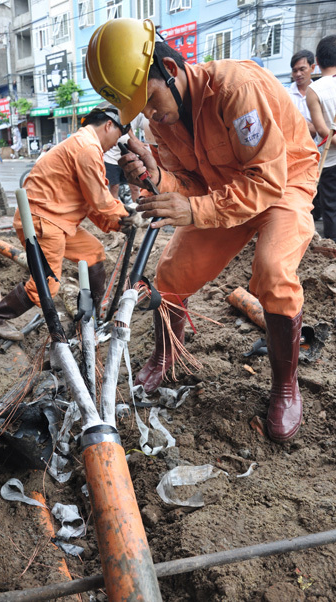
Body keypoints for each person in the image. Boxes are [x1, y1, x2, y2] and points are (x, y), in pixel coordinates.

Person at [86, 18, 320, 443]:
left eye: (151, 101)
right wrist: (155, 177)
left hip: (284, 183)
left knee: (271, 270)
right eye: (141, 109)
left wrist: (194, 209)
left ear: (172, 72)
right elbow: (191, 185)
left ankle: (286, 386)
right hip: (225, 193)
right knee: (170, 276)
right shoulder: (163, 120)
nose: (150, 115)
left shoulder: (236, 90)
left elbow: (266, 181)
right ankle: (167, 354)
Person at [0, 104, 138, 341]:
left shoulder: (85, 145)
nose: (116, 144)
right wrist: (124, 214)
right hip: (43, 220)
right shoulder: (87, 147)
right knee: (46, 284)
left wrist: (118, 224)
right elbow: (99, 198)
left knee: (94, 254)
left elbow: (90, 201)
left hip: (59, 221)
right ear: (109, 125)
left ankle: (90, 319)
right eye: (119, 134)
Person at [306, 35, 336, 242]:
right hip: (334, 157)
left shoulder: (314, 90)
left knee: (333, 211)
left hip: (333, 159)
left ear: (317, 62)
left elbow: (323, 131)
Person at [288, 50, 317, 139]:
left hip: (315, 148)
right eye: (294, 70)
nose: (298, 74)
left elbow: (323, 128)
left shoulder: (319, 92)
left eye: (302, 69)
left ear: (312, 68)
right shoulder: (286, 94)